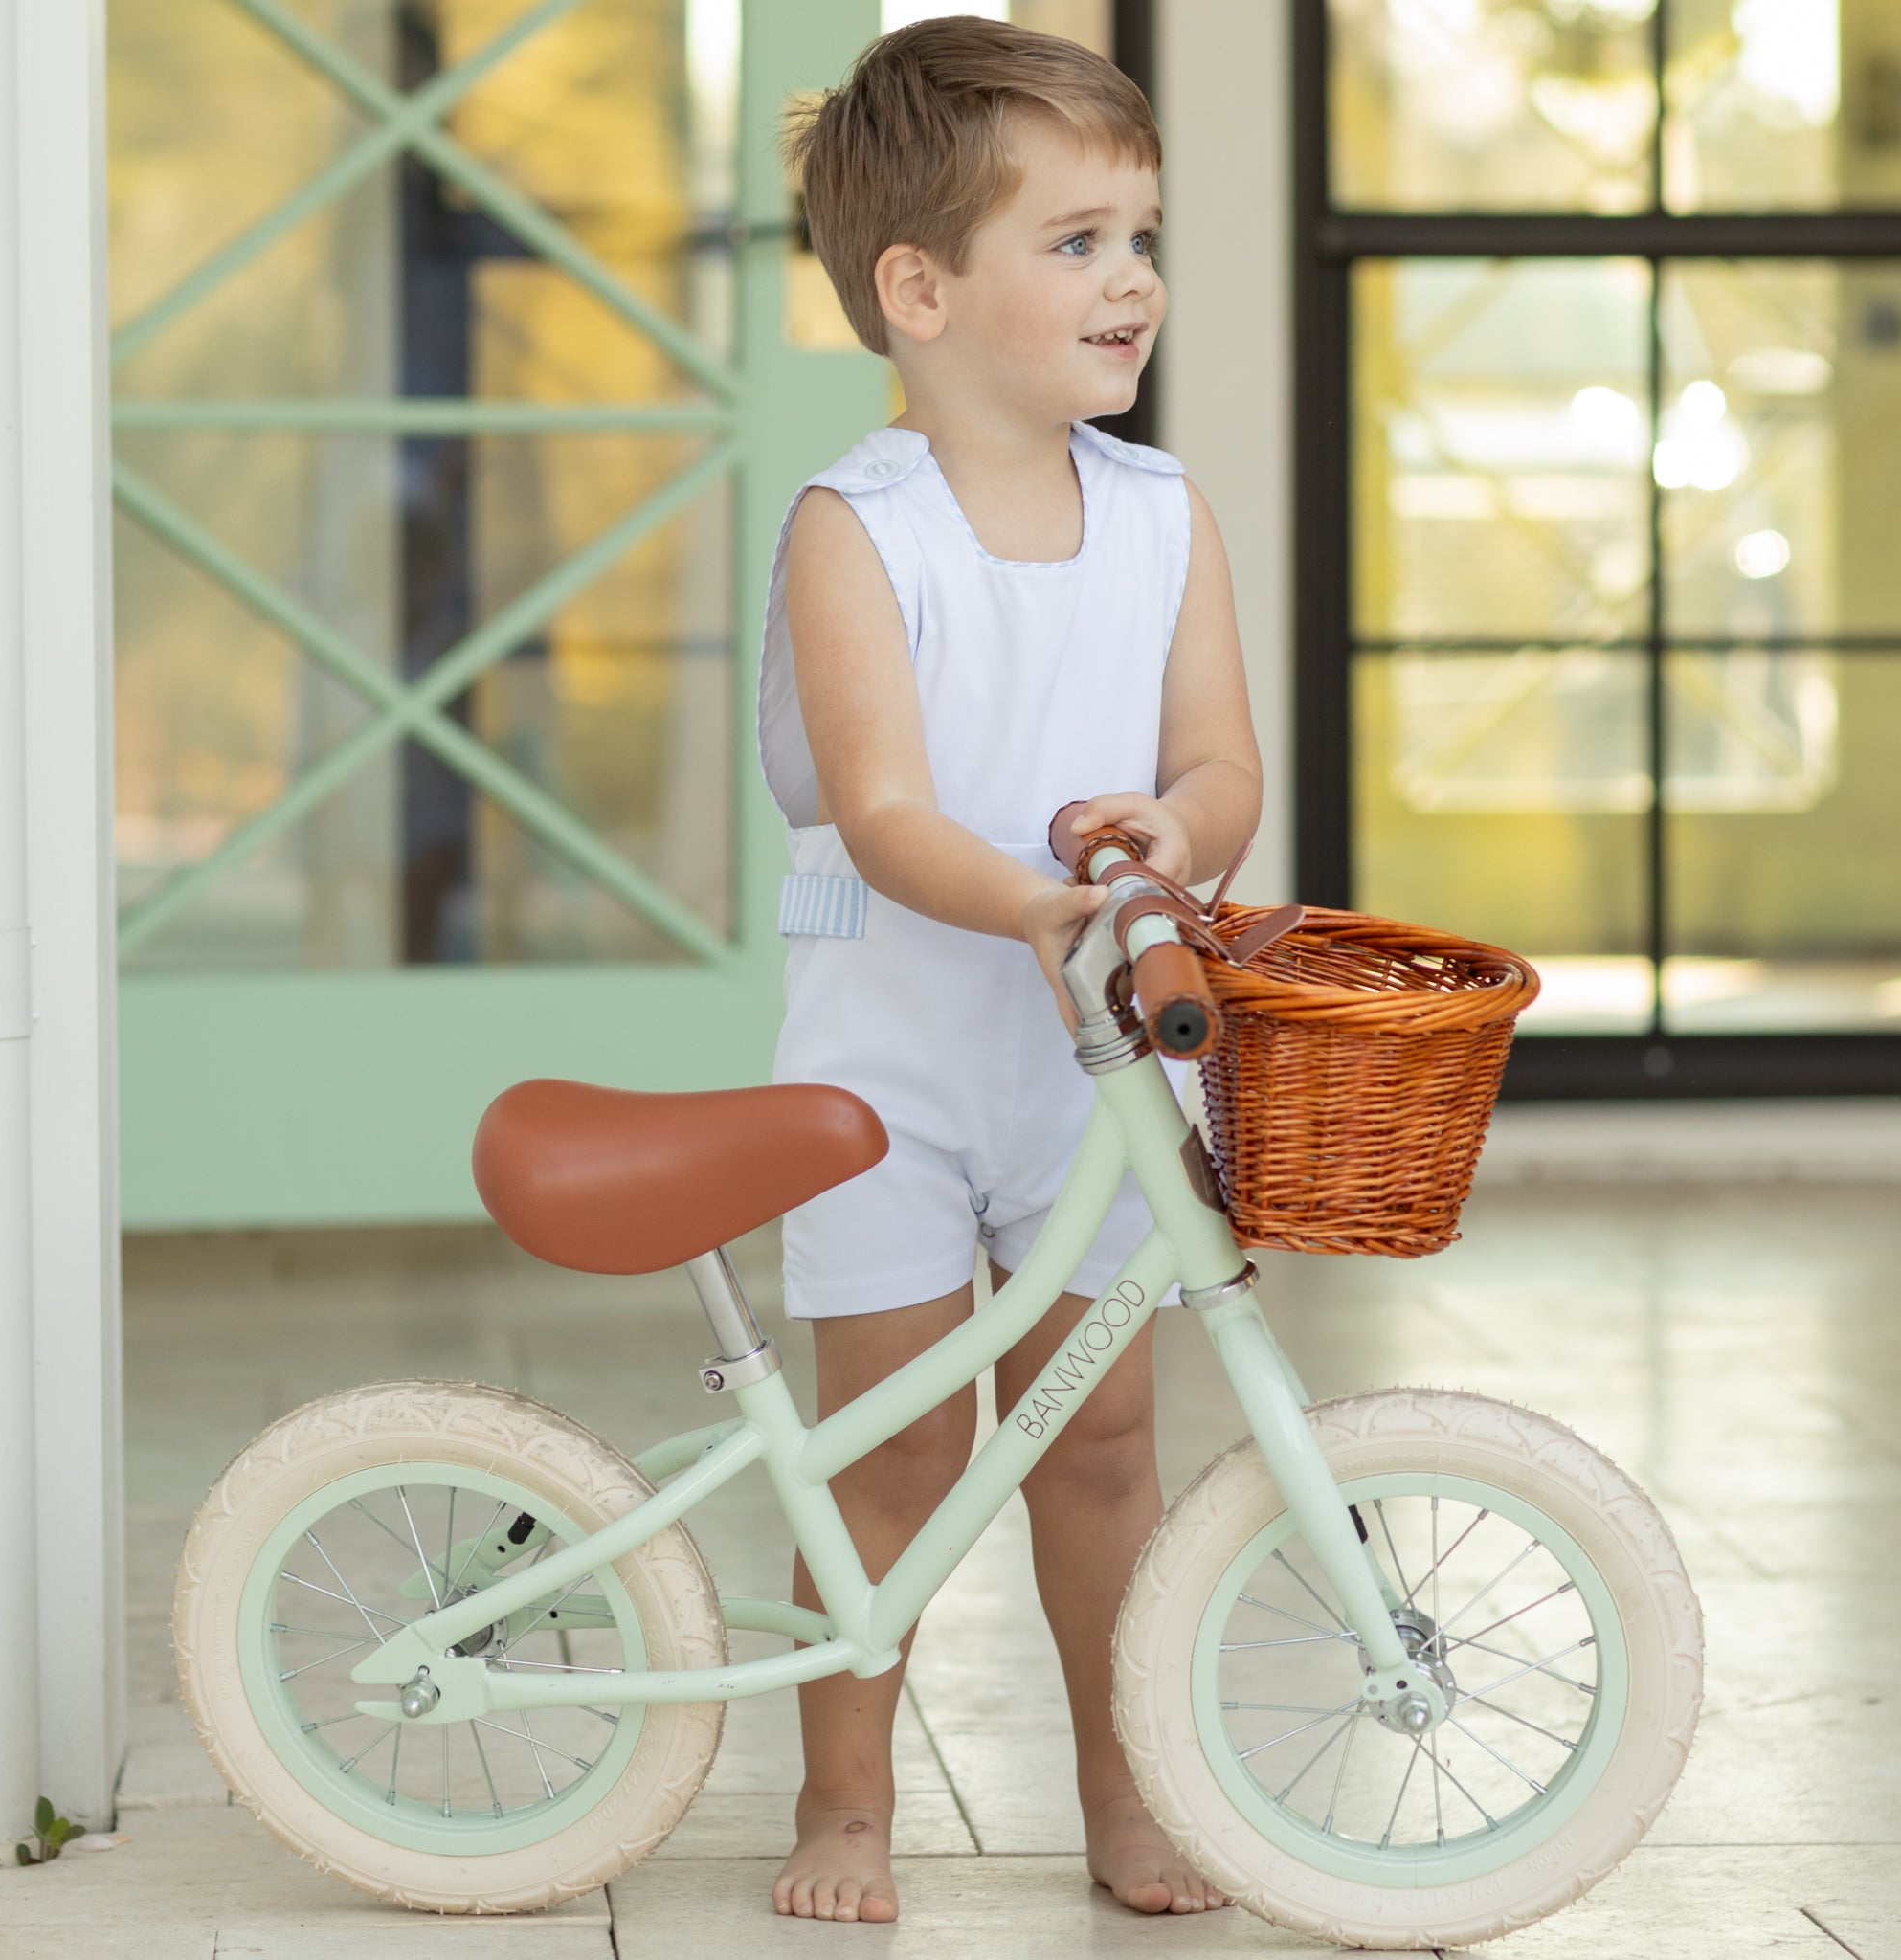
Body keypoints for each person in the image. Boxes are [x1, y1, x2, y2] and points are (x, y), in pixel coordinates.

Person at [758, 14, 1262, 1926]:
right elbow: (883, 810)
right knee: (892, 1451)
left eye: (1141, 236)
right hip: (889, 1071)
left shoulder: (1161, 513)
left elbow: (1221, 764)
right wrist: (1042, 906)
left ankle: (1126, 1793)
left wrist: (1175, 836)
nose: (1131, 278)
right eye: (1075, 241)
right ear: (921, 291)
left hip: (1097, 1067)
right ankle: (845, 1804)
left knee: (1105, 1444)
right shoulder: (857, 531)